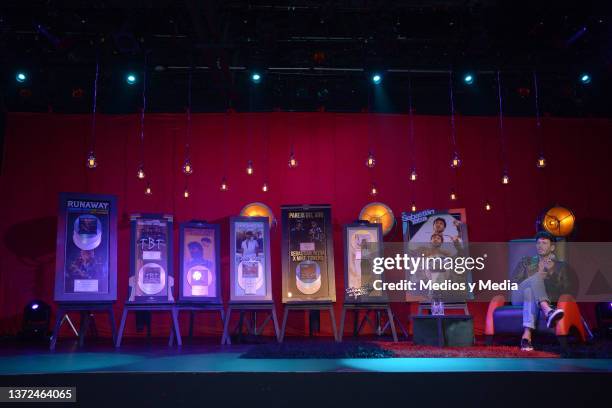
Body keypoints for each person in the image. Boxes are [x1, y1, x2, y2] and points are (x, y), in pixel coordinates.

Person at [511, 231, 568, 351]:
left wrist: (550, 275)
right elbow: (513, 283)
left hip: (535, 297)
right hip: (518, 296)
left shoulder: (560, 266)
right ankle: (548, 311)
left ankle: (526, 336)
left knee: (530, 293)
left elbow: (564, 288)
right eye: (538, 243)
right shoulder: (526, 261)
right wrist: (534, 279)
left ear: (552, 247)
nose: (540, 245)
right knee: (532, 282)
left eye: (544, 243)